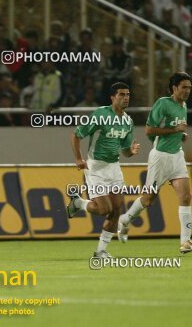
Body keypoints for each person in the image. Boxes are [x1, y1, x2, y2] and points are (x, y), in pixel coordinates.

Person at [118, 72, 192, 254]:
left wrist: (181, 135)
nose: (188, 90)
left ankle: (185, 242)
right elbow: (149, 130)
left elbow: (176, 129)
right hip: (160, 157)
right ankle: (125, 219)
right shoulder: (163, 103)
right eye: (184, 87)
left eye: (189, 87)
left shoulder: (184, 105)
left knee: (186, 196)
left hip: (176, 156)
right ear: (174, 88)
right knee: (148, 199)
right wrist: (174, 130)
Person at [66, 82, 140, 258]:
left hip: (114, 168)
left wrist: (131, 151)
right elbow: (76, 135)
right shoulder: (100, 115)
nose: (125, 98)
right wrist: (78, 158)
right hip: (96, 168)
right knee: (103, 209)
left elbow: (125, 151)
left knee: (116, 210)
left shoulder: (128, 121)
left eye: (128, 95)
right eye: (121, 95)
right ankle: (79, 203)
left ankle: (100, 251)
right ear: (112, 98)